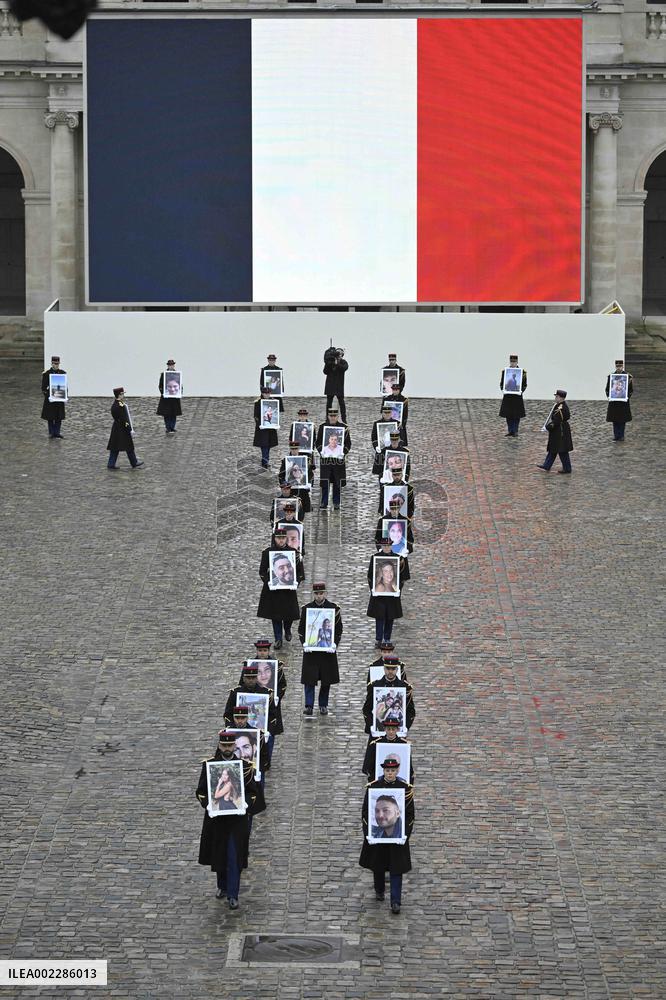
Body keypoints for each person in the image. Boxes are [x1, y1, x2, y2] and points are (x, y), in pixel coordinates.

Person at [196, 730, 266, 909]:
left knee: (234, 855)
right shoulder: (210, 765)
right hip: (217, 820)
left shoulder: (244, 766)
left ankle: (233, 894)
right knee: (219, 853)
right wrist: (208, 804)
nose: (227, 748)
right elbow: (201, 791)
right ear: (220, 745)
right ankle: (222, 886)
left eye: (229, 745)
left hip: (237, 820)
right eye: (224, 745)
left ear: (234, 746)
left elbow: (252, 792)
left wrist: (245, 806)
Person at [359, 757, 415, 914]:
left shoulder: (405, 788)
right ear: (383, 771)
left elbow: (410, 814)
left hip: (397, 836)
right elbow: (365, 811)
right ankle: (379, 889)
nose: (390, 774)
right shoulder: (374, 787)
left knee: (396, 868)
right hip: (379, 834)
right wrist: (368, 832)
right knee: (378, 864)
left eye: (393, 771)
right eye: (387, 771)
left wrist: (405, 834)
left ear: (397, 771)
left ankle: (396, 901)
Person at [298, 582, 343, 716]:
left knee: (326, 679)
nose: (319, 596)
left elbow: (339, 629)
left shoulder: (333, 609)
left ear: (325, 593)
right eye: (316, 594)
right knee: (309, 680)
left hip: (327, 651)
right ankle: (309, 705)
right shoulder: (307, 609)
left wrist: (334, 643)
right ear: (313, 594)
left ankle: (323, 704)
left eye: (321, 593)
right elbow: (301, 629)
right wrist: (304, 643)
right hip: (311, 651)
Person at [257, 527, 304, 649]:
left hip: (288, 591)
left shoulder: (294, 553)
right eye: (279, 538)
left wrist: (296, 582)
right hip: (274, 591)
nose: (281, 540)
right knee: (276, 616)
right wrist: (269, 582)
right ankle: (278, 638)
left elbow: (300, 572)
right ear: (275, 538)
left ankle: (287, 629)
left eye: (283, 538)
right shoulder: (267, 553)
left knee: (289, 615)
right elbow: (262, 571)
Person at [362, 657, 415, 735]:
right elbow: (366, 709)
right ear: (384, 669)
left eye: (393, 669)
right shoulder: (375, 686)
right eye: (388, 669)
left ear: (397, 670)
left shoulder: (404, 687)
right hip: (378, 732)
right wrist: (371, 725)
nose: (390, 671)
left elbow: (411, 711)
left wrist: (405, 726)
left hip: (397, 732)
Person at [367, 538, 404, 647]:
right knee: (379, 617)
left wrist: (398, 589)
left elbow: (402, 577)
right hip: (379, 594)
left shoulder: (398, 558)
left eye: (388, 546)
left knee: (390, 617)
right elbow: (370, 576)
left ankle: (387, 638)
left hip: (392, 595)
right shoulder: (375, 558)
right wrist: (373, 589)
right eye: (384, 546)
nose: (386, 548)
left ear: (391, 546)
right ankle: (379, 639)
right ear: (381, 546)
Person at [315, 408, 351, 511]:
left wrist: (343, 452)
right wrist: (321, 451)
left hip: (338, 461)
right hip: (326, 460)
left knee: (337, 482)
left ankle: (336, 502)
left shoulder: (344, 428)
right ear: (328, 416)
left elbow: (348, 444)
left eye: (335, 416)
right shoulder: (322, 427)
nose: (333, 417)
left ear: (337, 416)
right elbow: (318, 442)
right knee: (325, 482)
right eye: (331, 416)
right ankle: (324, 502)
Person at [362, 719, 414, 783]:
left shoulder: (403, 744)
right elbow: (370, 764)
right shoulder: (376, 743)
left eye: (393, 729)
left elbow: (408, 764)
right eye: (388, 729)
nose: (391, 732)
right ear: (385, 729)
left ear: (397, 730)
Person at [537, 390, 573, 474]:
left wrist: (547, 427)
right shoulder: (558, 405)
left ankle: (567, 468)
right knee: (553, 450)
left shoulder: (561, 408)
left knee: (562, 451)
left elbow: (556, 421)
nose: (555, 398)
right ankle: (547, 465)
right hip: (558, 431)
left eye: (556, 396)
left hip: (560, 431)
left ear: (560, 397)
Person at [107, 387, 144, 470]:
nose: (123, 395)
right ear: (119, 394)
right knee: (129, 446)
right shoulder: (120, 406)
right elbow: (124, 418)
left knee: (115, 448)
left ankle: (111, 463)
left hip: (116, 428)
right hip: (122, 429)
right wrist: (129, 428)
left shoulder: (115, 405)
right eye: (122, 393)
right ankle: (134, 462)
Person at [279, 440, 314, 515]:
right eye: (292, 449)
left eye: (295, 449)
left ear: (298, 449)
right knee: (290, 511)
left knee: (303, 511)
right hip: (291, 491)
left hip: (303, 492)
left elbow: (310, 474)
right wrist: (284, 485)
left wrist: (309, 484)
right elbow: (281, 476)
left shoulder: (305, 460)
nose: (294, 451)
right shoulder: (285, 461)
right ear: (290, 449)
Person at [499, 353, 527, 437]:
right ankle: (510, 430)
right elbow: (502, 383)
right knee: (508, 414)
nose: (513, 363)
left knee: (516, 415)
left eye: (514, 362)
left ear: (517, 362)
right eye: (511, 362)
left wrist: (520, 391)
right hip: (508, 396)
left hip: (517, 396)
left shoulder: (522, 372)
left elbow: (524, 384)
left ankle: (515, 431)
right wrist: (503, 389)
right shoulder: (505, 371)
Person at [605, 359, 633, 441]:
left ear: (623, 366)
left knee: (622, 419)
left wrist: (626, 397)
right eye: (617, 366)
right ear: (615, 366)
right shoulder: (611, 377)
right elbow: (607, 389)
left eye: (620, 366)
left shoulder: (628, 377)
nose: (619, 368)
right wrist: (609, 396)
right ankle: (616, 435)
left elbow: (630, 390)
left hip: (623, 402)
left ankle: (621, 435)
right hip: (614, 402)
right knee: (615, 419)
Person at [41, 355, 66, 438]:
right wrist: (48, 396)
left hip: (59, 399)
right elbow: (43, 388)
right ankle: (51, 432)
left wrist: (65, 395)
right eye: (55, 363)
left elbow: (64, 386)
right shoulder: (47, 374)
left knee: (59, 417)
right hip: (50, 399)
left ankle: (57, 432)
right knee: (50, 417)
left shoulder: (62, 373)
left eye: (57, 364)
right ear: (52, 363)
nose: (56, 365)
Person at [253, 386, 278, 469]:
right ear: (262, 393)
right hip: (262, 428)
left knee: (269, 445)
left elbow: (276, 413)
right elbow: (256, 416)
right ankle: (265, 461)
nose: (267, 395)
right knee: (264, 445)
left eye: (268, 393)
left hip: (270, 428)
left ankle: (265, 460)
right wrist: (260, 424)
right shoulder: (258, 402)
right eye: (265, 393)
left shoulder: (273, 402)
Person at [157, 359, 182, 434]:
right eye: (170, 365)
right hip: (166, 397)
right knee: (166, 413)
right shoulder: (163, 374)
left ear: (174, 365)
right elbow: (160, 385)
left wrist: (180, 393)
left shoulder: (177, 374)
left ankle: (172, 427)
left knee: (173, 413)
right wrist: (163, 393)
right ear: (168, 365)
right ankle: (168, 427)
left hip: (174, 398)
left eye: (172, 365)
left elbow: (180, 385)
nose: (171, 366)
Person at [323, 347, 348, 422]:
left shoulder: (343, 362)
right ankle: (327, 419)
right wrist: (330, 363)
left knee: (341, 402)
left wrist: (337, 364)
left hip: (339, 385)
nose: (338, 355)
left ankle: (344, 419)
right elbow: (325, 371)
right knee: (329, 403)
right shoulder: (330, 362)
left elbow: (344, 368)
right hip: (330, 384)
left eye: (340, 353)